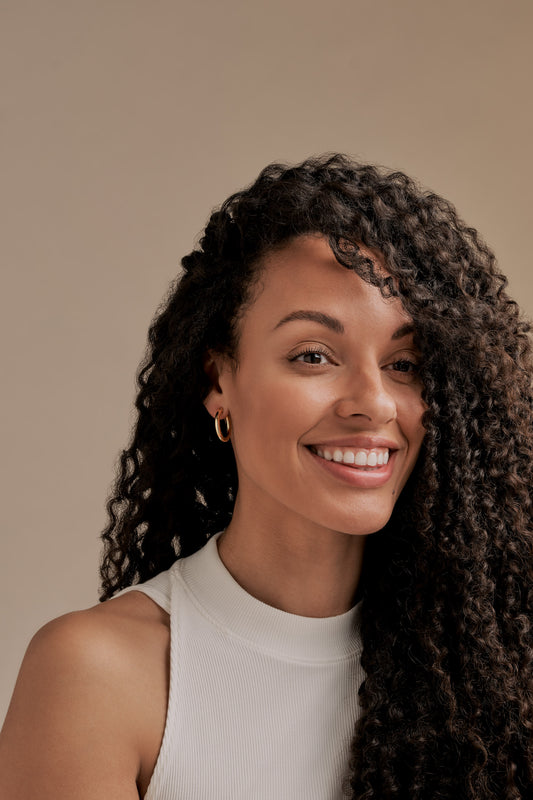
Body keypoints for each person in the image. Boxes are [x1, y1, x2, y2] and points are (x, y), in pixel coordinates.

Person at [0, 154, 532, 799]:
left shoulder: (491, 676)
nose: (374, 403)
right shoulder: (100, 675)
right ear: (219, 382)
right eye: (313, 355)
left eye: (405, 363)